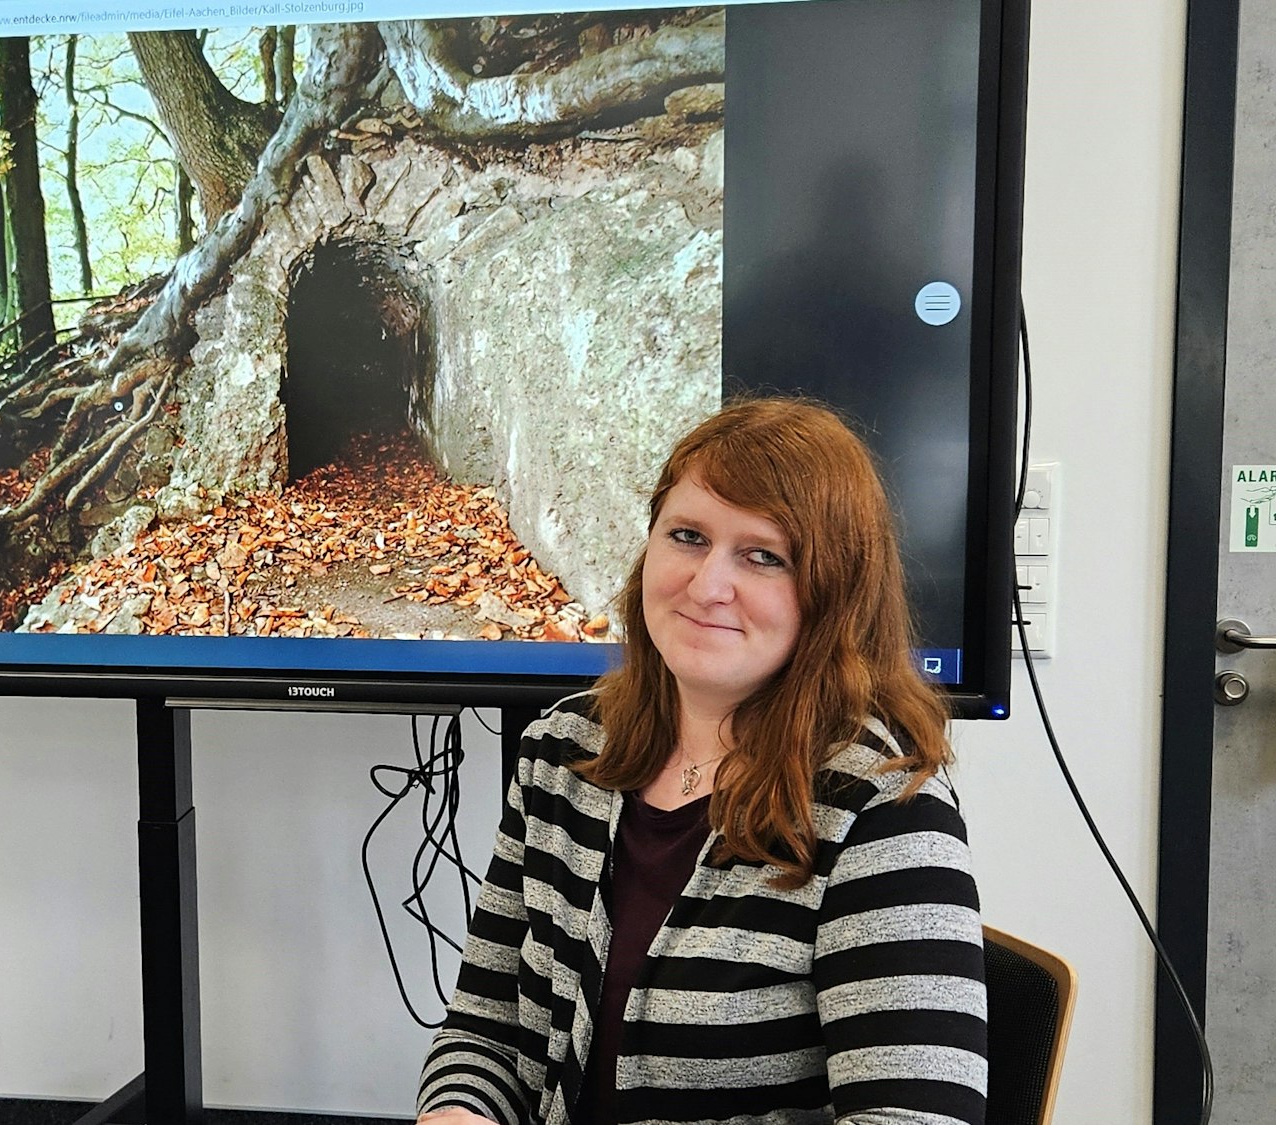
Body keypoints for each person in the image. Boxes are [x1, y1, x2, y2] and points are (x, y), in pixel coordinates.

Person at [417, 399, 986, 1125]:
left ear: (834, 593)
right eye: (687, 536)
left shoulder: (887, 812)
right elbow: (486, 1031)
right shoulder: (561, 752)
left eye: (763, 556)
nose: (707, 583)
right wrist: (458, 1113)